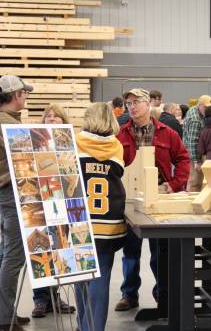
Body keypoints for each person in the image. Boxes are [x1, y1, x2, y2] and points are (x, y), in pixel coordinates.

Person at [115, 88, 190, 311]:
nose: (132, 107)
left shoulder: (167, 133)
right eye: (129, 103)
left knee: (160, 251)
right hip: (130, 201)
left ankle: (163, 295)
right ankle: (129, 295)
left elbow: (184, 160)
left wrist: (173, 185)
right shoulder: (119, 134)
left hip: (159, 200)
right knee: (130, 251)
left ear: (149, 105)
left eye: (137, 102)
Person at [0, 75, 33, 331]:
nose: (26, 97)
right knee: (15, 255)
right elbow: (27, 158)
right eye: (25, 93)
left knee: (6, 252)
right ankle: (4, 320)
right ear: (16, 95)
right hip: (13, 193)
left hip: (6, 192)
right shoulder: (5, 124)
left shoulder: (1, 119)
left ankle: (3, 312)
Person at [74, 102, 127, 331]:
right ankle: (94, 328)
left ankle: (82, 324)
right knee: (101, 280)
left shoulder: (74, 142)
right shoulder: (116, 146)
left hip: (79, 221)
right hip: (109, 223)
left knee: (80, 277)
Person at [30, 104, 76, 318]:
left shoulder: (70, 142)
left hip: (62, 202)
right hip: (39, 202)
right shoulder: (34, 142)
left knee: (58, 249)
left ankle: (54, 297)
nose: (51, 118)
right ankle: (40, 299)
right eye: (47, 115)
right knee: (40, 250)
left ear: (63, 119)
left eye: (56, 116)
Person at [182, 95, 211, 192]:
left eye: (209, 108)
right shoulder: (196, 120)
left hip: (191, 150)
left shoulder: (193, 109)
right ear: (199, 105)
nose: (207, 110)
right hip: (192, 152)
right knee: (195, 181)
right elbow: (193, 141)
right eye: (205, 107)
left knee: (194, 180)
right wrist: (196, 161)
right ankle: (192, 205)